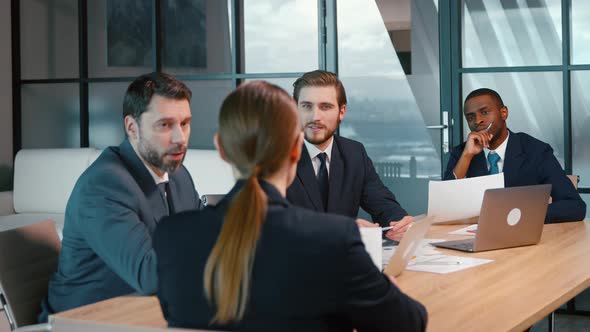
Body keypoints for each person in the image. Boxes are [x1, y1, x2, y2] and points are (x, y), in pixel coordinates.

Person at [154, 81, 427, 332]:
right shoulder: (334, 238)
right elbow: (409, 323)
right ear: (297, 148)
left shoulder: (171, 236)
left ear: (221, 149)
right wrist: (383, 291)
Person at [39, 72, 201, 321]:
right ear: (131, 127)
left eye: (185, 123)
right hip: (81, 322)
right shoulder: (105, 186)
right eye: (165, 125)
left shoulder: (179, 175)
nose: (180, 138)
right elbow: (150, 276)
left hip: (145, 313)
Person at [286, 70, 412, 241]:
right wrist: (343, 228)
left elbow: (381, 202)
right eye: (307, 106)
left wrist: (398, 222)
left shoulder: (354, 153)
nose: (315, 116)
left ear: (342, 111)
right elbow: (266, 223)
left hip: (345, 261)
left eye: (326, 107)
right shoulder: (273, 156)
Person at [444, 88, 586, 223]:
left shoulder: (536, 151)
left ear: (504, 113)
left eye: (485, 112)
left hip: (521, 236)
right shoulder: (462, 152)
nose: (477, 121)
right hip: (472, 235)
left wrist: (519, 215)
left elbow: (575, 207)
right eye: (470, 117)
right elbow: (444, 206)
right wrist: (467, 156)